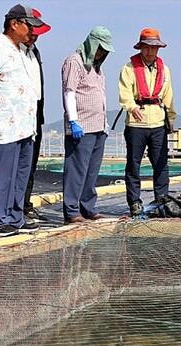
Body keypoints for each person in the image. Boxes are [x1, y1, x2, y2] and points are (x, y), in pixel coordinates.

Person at [0, 4, 46, 237]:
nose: (31, 32)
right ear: (15, 24)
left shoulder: (23, 50)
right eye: (28, 26)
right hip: (3, 125)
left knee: (21, 173)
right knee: (3, 175)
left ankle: (16, 215)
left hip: (26, 126)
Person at [118, 28, 176, 217]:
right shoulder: (129, 68)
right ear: (141, 47)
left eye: (154, 48)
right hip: (137, 124)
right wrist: (131, 107)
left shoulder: (164, 69)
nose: (150, 52)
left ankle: (162, 201)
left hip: (158, 122)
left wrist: (171, 119)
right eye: (147, 48)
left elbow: (168, 96)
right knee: (133, 164)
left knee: (161, 164)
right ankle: (134, 201)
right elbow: (125, 92)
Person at [61, 27, 113, 225]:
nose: (102, 53)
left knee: (91, 171)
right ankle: (71, 210)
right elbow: (69, 92)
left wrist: (104, 125)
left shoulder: (98, 68)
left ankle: (88, 207)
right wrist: (73, 120)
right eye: (100, 48)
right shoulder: (74, 61)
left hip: (98, 126)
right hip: (82, 126)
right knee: (76, 170)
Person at [21, 8, 51, 225]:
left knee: (30, 164)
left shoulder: (34, 52)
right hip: (18, 117)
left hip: (35, 116)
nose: (34, 36)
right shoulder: (14, 51)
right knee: (17, 165)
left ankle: (25, 203)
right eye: (32, 31)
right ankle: (15, 206)